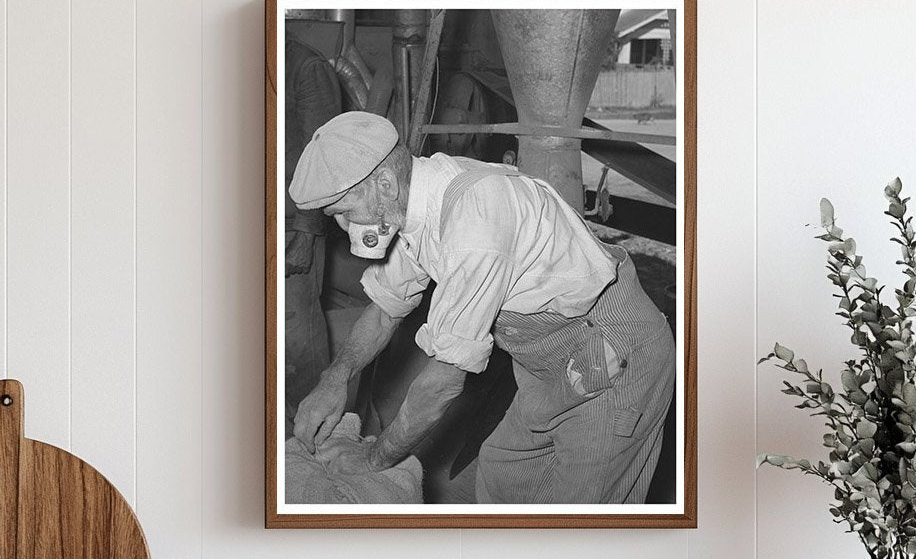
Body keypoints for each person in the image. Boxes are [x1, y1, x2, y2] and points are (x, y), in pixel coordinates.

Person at [288, 111, 676, 504]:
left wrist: (373, 459)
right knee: (504, 477)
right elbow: (385, 309)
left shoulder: (472, 219)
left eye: (344, 212)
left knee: (581, 511)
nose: (344, 226)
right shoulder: (413, 202)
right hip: (548, 364)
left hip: (612, 354)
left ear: (384, 184)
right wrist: (334, 379)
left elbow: (441, 384)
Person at [283, 37, 342, 437]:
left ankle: (314, 437)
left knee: (296, 340)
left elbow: (322, 157)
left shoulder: (305, 66)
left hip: (290, 225)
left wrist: (306, 232)